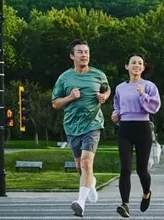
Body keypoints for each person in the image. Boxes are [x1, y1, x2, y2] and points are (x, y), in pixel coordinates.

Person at [52, 39, 111, 218]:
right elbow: (55, 103)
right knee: (80, 166)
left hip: (92, 124)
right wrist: (70, 97)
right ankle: (91, 184)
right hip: (72, 126)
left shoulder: (99, 75)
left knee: (86, 162)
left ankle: (80, 203)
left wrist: (104, 96)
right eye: (80, 52)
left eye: (86, 52)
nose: (84, 55)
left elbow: (107, 90)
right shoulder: (64, 78)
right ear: (72, 56)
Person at [111, 54, 161, 218]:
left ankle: (146, 193)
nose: (137, 65)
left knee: (142, 170)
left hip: (142, 128)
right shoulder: (120, 88)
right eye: (133, 63)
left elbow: (154, 107)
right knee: (125, 169)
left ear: (143, 67)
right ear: (127, 66)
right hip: (125, 128)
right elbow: (117, 106)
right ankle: (125, 204)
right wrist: (116, 114)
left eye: (140, 63)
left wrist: (143, 95)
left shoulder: (149, 86)